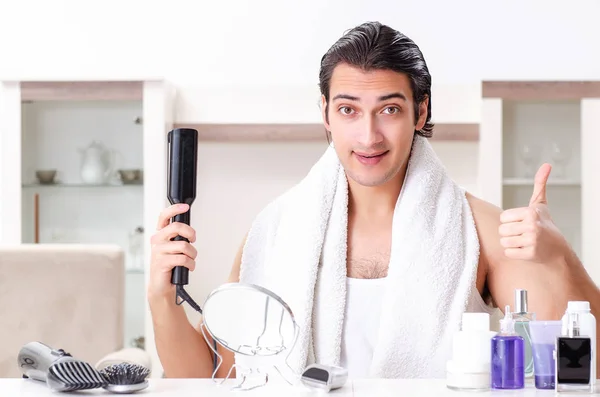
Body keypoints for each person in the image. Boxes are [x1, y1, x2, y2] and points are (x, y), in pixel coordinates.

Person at [148, 21, 600, 379]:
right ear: (324, 113)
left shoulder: (480, 229)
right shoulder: (275, 231)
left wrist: (561, 258)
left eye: (389, 109)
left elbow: (584, 369)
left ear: (420, 111)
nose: (368, 136)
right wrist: (161, 299)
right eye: (348, 110)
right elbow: (213, 376)